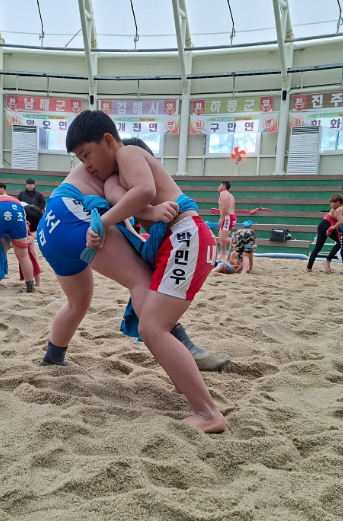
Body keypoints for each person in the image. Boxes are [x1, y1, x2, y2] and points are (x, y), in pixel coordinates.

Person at [41, 110, 225, 433]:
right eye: (80, 159)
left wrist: (119, 217)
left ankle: (53, 357)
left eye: (86, 155)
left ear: (108, 141)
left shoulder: (127, 154)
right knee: (150, 312)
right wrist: (137, 214)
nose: (86, 165)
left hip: (51, 228)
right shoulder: (114, 174)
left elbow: (140, 193)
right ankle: (187, 371)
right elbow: (131, 200)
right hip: (173, 234)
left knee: (135, 318)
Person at [306, 194, 343, 273]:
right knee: (340, 242)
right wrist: (331, 229)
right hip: (326, 224)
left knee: (318, 248)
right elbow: (337, 220)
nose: (330, 204)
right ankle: (327, 260)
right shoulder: (336, 209)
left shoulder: (337, 208)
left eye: (332, 202)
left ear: (337, 202)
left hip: (323, 224)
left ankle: (309, 267)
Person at [217, 181, 236, 260]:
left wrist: (222, 217)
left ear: (223, 187)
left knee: (223, 238)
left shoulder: (223, 194)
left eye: (220, 185)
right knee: (221, 236)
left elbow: (225, 205)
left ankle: (240, 245)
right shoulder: (230, 195)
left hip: (228, 217)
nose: (218, 187)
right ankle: (223, 254)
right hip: (229, 216)